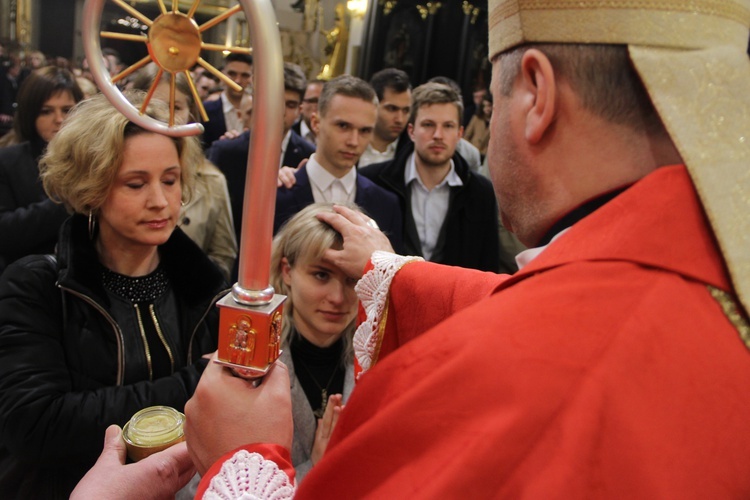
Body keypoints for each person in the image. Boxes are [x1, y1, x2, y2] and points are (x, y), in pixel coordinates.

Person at [75, 0, 750, 497]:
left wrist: (246, 457)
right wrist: (389, 272)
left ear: (535, 94)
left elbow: (535, 333)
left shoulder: (541, 379)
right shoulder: (706, 276)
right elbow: (538, 304)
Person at [0, 91, 226, 498]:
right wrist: (197, 381)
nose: (160, 201)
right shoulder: (37, 286)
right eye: (136, 183)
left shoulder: (207, 287)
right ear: (92, 187)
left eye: (170, 180)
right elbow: (35, 425)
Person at [360, 82, 501, 272]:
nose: (438, 135)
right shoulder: (373, 181)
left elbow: (487, 266)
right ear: (411, 131)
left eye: (448, 126)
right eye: (428, 125)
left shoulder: (481, 193)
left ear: (459, 133)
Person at [271, 202, 357, 481]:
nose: (338, 298)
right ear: (287, 271)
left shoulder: (378, 357)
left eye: (352, 279)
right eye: (321, 275)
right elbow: (209, 485)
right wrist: (313, 471)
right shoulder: (252, 365)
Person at [272, 75, 403, 254]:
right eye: (343, 126)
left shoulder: (386, 204)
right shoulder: (275, 196)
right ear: (316, 123)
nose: (354, 141)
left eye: (365, 130)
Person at [131, 64, 237, 280]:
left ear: (190, 113)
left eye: (175, 108)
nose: (164, 118)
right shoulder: (114, 171)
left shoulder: (212, 180)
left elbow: (223, 256)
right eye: (155, 106)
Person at [209, 62, 315, 250]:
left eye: (290, 105)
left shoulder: (308, 155)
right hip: (233, 254)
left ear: (300, 110)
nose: (280, 111)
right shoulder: (225, 151)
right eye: (275, 101)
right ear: (258, 100)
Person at [0, 66, 82, 274]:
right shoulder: (9, 161)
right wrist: (68, 201)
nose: (59, 120)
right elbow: (5, 232)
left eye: (67, 110)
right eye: (46, 111)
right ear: (31, 114)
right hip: (25, 279)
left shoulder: (92, 159)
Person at [358, 67, 412, 168]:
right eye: (392, 109)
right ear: (373, 105)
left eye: (405, 111)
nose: (400, 119)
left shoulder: (412, 153)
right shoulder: (352, 141)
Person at [200, 53, 253, 147]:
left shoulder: (259, 111)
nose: (237, 81)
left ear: (251, 78)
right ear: (223, 74)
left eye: (244, 75)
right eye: (232, 74)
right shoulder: (205, 110)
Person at [292, 79, 324, 144]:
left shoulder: (334, 137)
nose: (319, 106)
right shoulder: (289, 134)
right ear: (301, 104)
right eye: (314, 101)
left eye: (323, 102)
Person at [463, 89, 491, 158]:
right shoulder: (476, 118)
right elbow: (467, 135)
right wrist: (469, 149)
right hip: (471, 153)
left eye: (489, 106)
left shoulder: (496, 122)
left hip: (486, 156)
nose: (486, 108)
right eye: (484, 106)